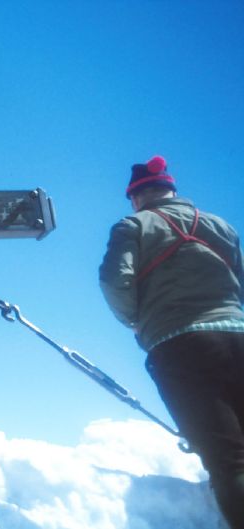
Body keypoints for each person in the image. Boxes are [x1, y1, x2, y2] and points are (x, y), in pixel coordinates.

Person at [99, 155, 244, 527]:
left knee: (229, 460)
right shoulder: (221, 226)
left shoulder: (132, 225)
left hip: (181, 346)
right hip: (239, 335)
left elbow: (115, 281)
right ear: (173, 190)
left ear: (136, 197)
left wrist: (134, 320)